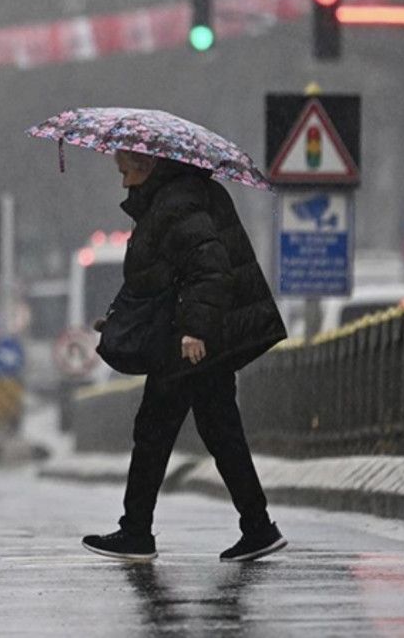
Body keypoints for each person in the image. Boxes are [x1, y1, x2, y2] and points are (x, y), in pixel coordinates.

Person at [82, 150, 288, 563]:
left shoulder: (177, 204)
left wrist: (196, 329)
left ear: (147, 167)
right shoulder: (176, 198)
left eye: (126, 171)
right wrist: (123, 322)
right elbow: (163, 277)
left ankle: (136, 532)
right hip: (195, 341)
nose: (123, 182)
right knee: (221, 432)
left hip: (188, 345)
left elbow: (210, 268)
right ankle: (257, 527)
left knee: (154, 433)